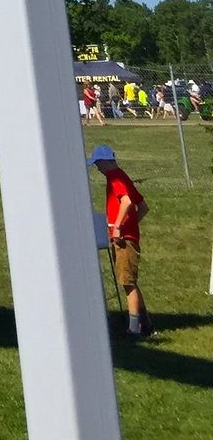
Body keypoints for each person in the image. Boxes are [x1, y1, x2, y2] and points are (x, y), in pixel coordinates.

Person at [89, 144, 153, 339]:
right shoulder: (122, 176)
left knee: (127, 283)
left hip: (123, 240)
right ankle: (146, 324)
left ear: (106, 161)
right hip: (128, 235)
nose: (98, 168)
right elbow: (143, 207)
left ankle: (134, 329)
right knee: (130, 281)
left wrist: (118, 227)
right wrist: (131, 224)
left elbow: (127, 202)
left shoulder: (115, 177)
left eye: (99, 164)